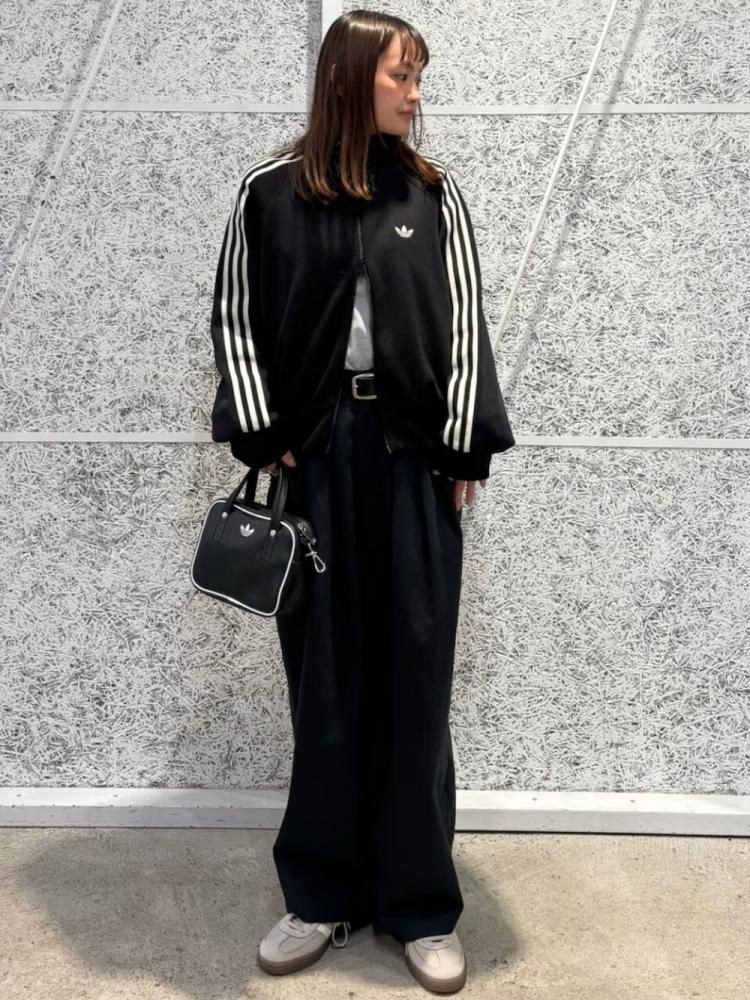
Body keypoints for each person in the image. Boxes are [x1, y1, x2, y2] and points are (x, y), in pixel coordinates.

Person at [208, 9, 515, 994]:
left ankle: (421, 904)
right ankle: (320, 893)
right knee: (327, 683)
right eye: (402, 75)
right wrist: (262, 431)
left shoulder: (433, 193)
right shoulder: (269, 195)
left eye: (419, 76)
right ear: (350, 78)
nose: (417, 94)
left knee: (416, 686)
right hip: (319, 464)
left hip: (416, 462)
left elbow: (466, 317)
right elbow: (234, 316)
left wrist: (465, 438)